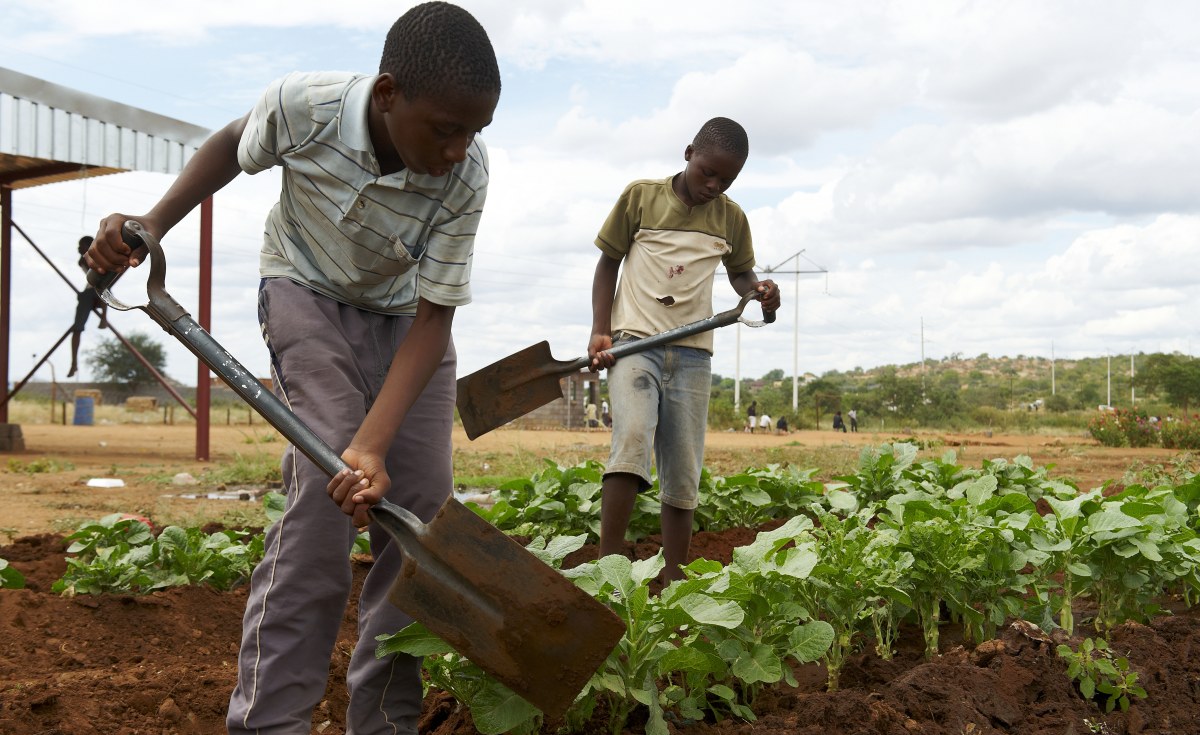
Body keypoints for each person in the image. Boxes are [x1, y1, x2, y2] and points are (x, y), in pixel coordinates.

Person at [86, 5, 501, 733]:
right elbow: (229, 145)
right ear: (387, 94)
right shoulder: (303, 105)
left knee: (421, 510)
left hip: (408, 321)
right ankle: (271, 719)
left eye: (473, 132)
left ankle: (382, 720)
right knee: (326, 476)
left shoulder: (464, 175)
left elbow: (435, 320)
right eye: (444, 129)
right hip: (304, 289)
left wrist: (378, 445)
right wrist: (150, 224)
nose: (458, 149)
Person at [587, 117, 779, 584]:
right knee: (631, 439)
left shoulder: (730, 217)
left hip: (693, 353)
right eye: (707, 172)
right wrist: (600, 330)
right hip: (636, 343)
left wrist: (761, 292)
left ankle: (675, 583)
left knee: (683, 465)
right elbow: (608, 262)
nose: (713, 185)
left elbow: (740, 274)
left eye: (726, 179)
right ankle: (607, 569)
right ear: (688, 152)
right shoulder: (641, 197)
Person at [68, 236, 108, 378]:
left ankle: (104, 318)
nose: (79, 248)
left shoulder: (101, 255)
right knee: (77, 328)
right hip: (91, 291)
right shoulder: (82, 261)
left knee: (103, 289)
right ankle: (74, 363)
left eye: (81, 245)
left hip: (100, 290)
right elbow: (92, 277)